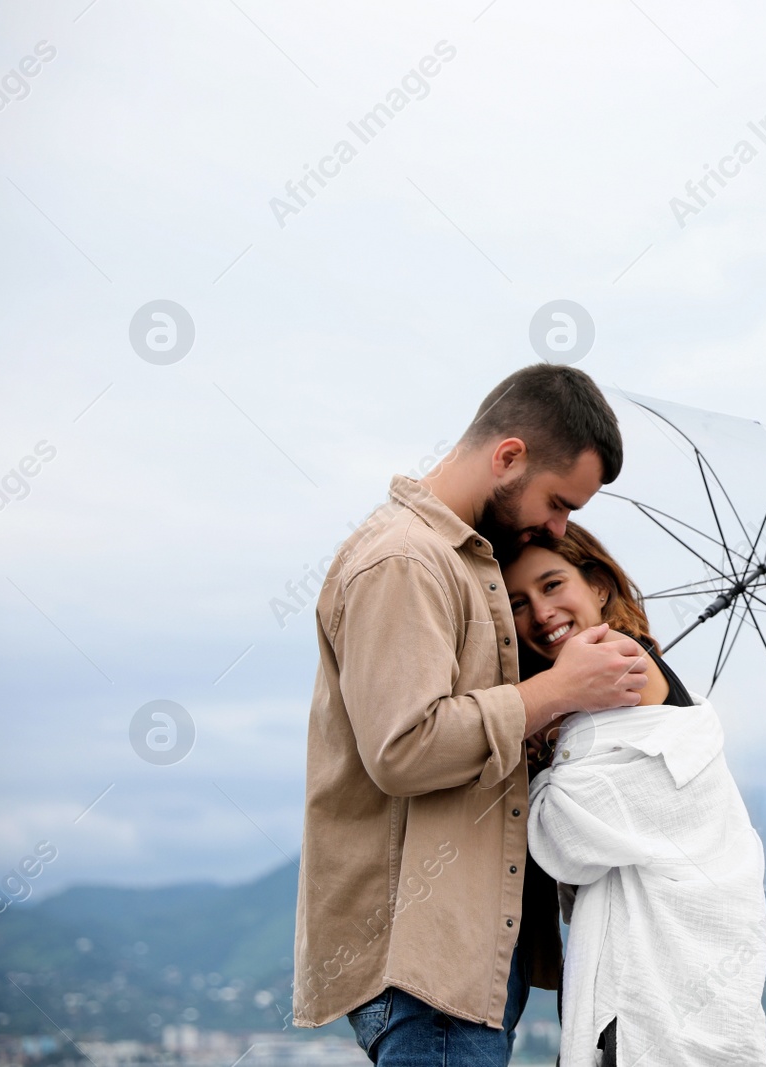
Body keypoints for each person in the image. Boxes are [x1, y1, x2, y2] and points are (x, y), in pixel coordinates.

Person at [293, 363, 652, 1067]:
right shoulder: (405, 559)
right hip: (431, 969)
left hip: (471, 964)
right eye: (559, 502)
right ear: (509, 456)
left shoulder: (467, 565)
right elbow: (405, 747)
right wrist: (559, 691)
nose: (559, 525)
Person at [503, 524, 766, 1067]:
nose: (541, 612)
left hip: (645, 1004)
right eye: (518, 603)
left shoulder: (618, 667)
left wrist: (541, 752)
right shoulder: (623, 675)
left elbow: (567, 836)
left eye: (553, 585)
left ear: (598, 586)